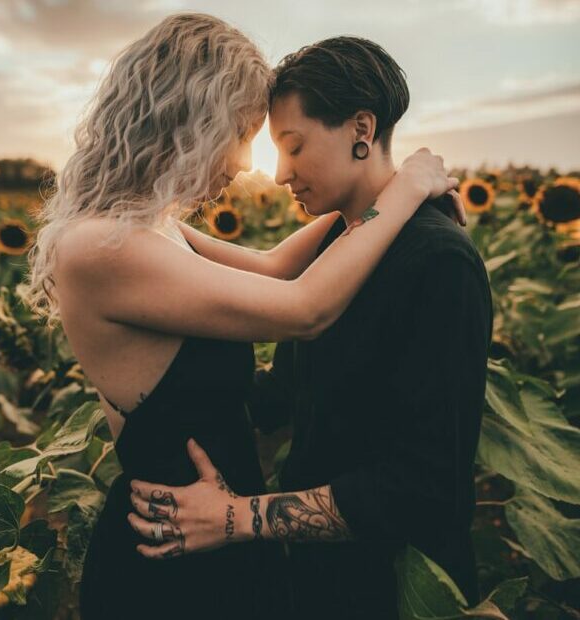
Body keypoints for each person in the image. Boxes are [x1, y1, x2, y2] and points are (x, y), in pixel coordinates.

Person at [25, 13, 462, 619]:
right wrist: (403, 191)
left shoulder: (151, 229)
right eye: (238, 131)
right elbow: (304, 307)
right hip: (172, 555)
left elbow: (276, 266)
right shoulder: (101, 248)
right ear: (190, 121)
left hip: (221, 532)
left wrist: (364, 194)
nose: (240, 164)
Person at [125, 37, 492, 620]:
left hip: (399, 589)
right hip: (321, 582)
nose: (278, 174)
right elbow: (290, 394)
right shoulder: (336, 245)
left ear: (360, 129)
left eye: (293, 147)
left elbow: (426, 489)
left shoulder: (437, 259)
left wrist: (236, 517)